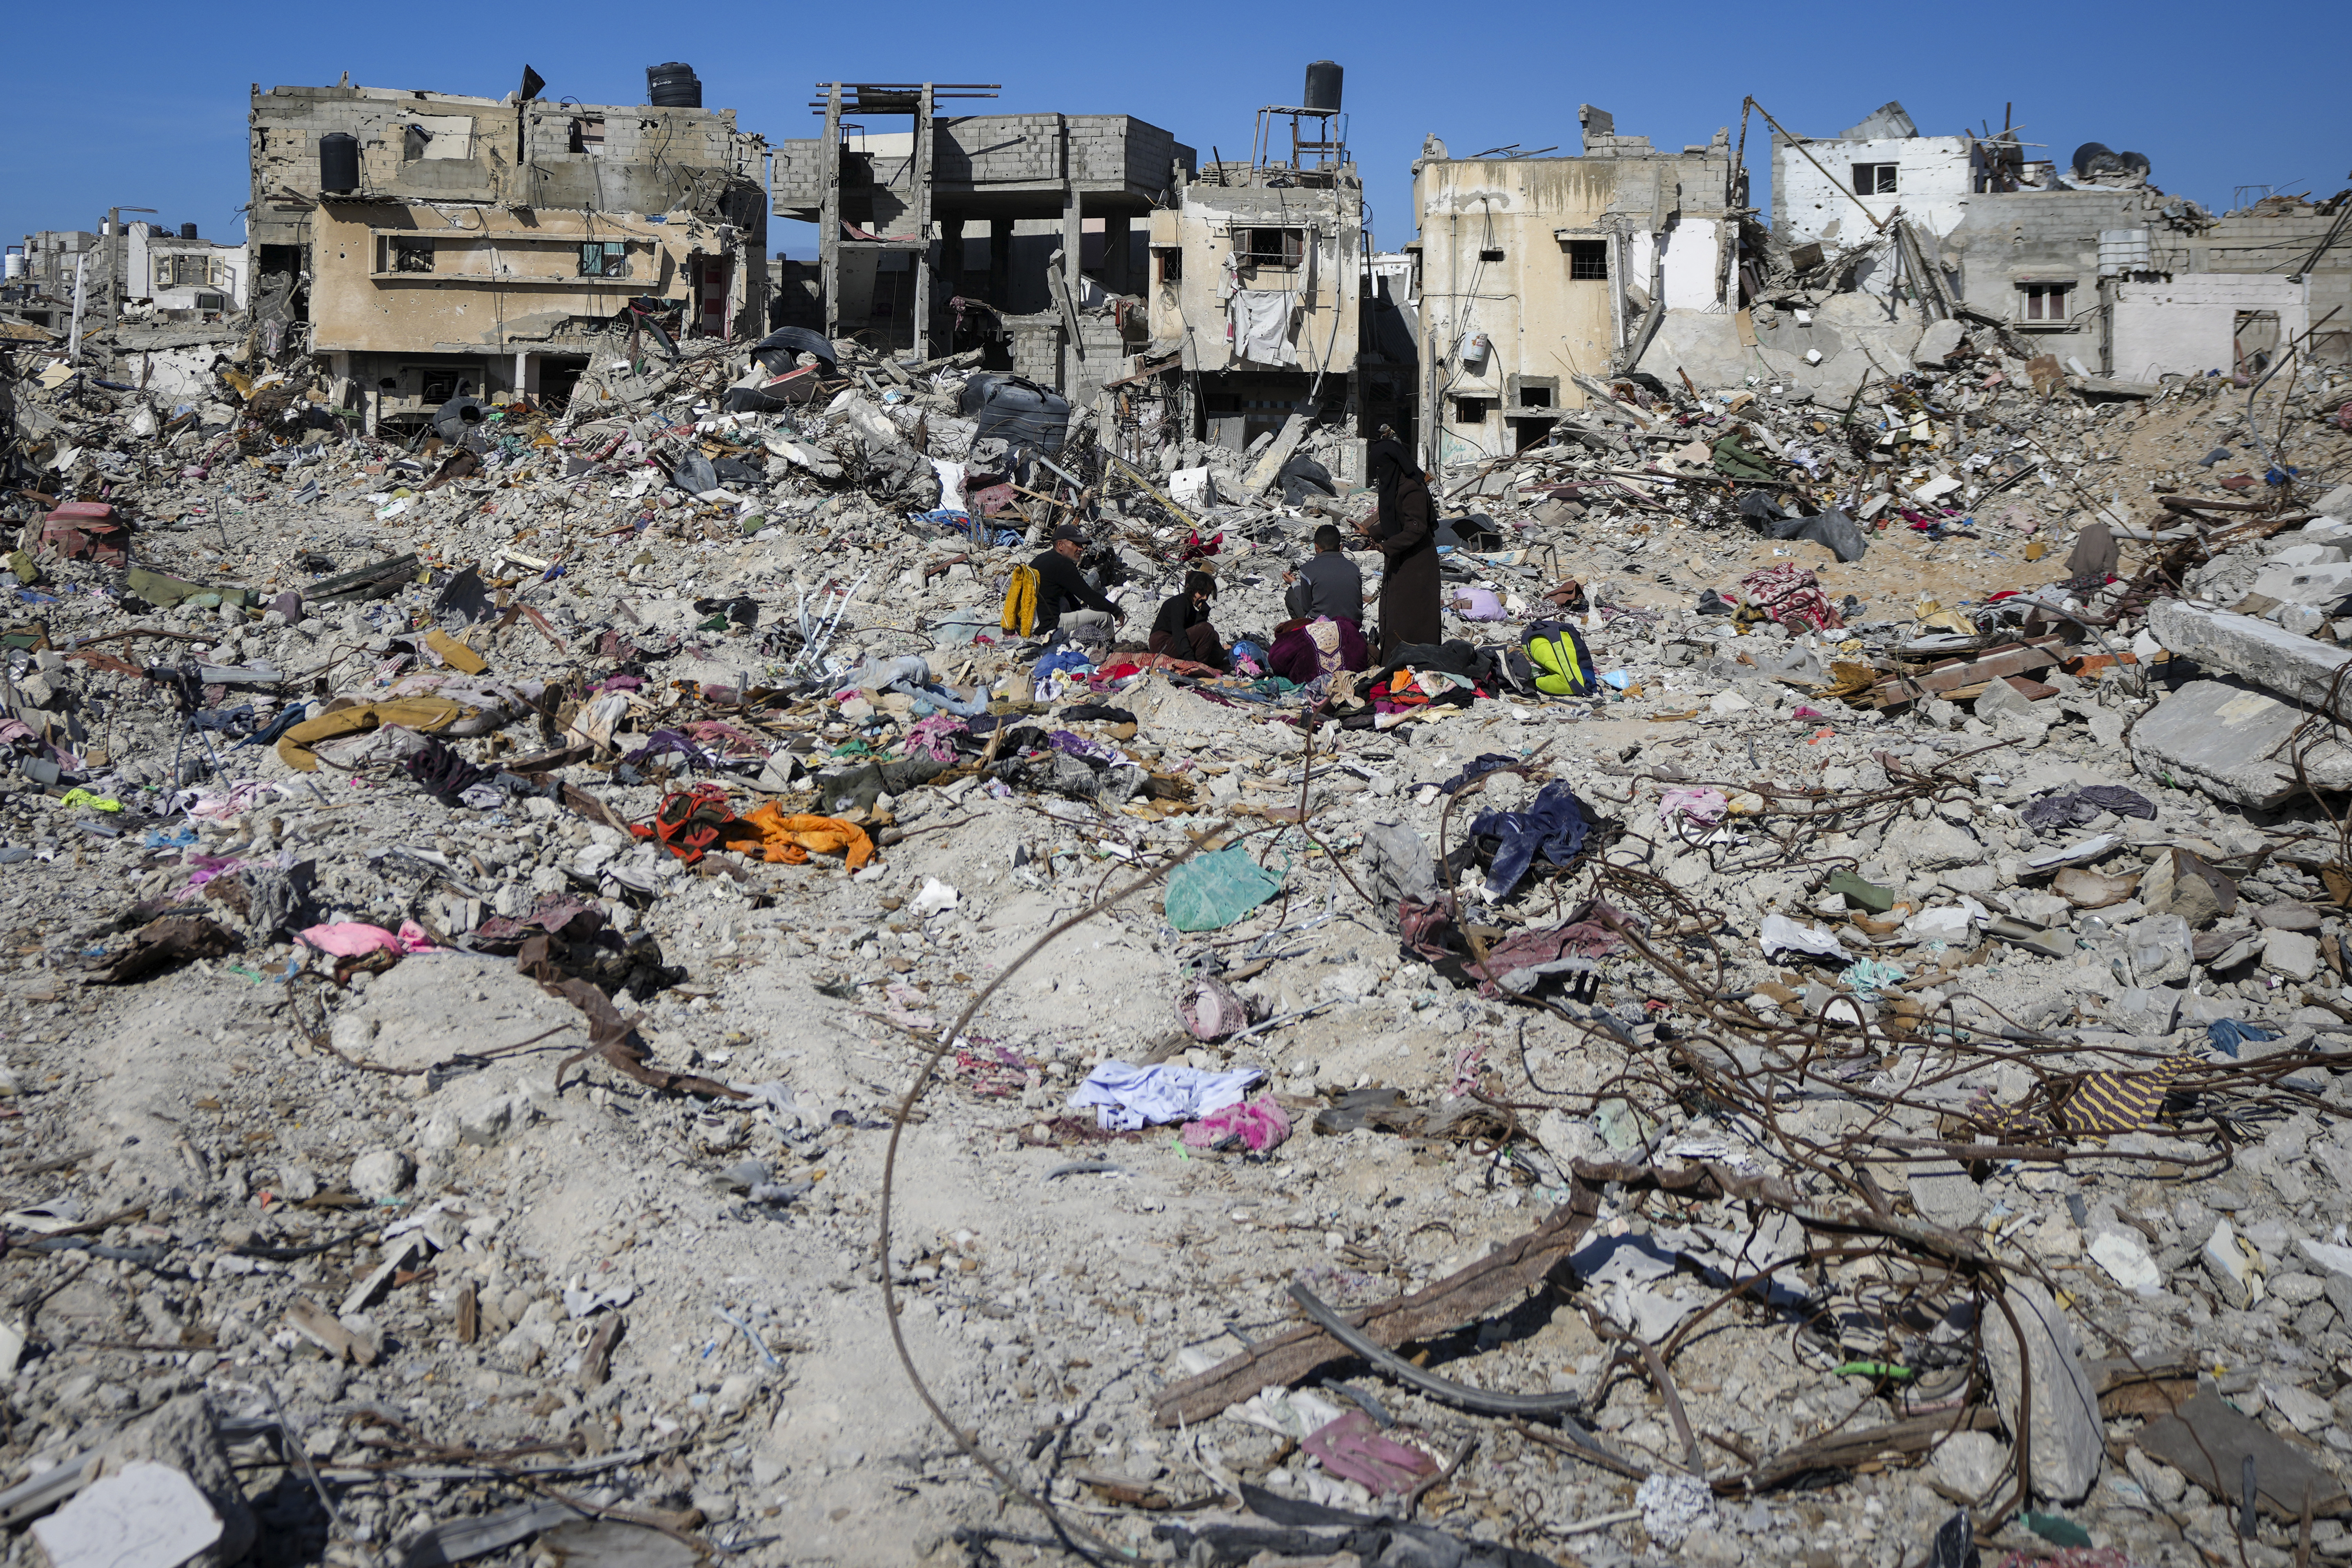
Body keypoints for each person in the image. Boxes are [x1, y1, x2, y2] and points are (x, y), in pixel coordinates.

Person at [1360, 428, 1441, 660]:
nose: (1378, 473)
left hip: (1418, 564)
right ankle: (1392, 660)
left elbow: (1416, 527)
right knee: (1393, 610)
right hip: (1401, 559)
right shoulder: (1394, 486)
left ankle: (1417, 662)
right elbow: (1394, 521)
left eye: (1380, 467)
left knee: (1412, 616)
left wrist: (1386, 547)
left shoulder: (1412, 488)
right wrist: (1369, 531)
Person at [1028, 523, 1123, 637]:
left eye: (1081, 545)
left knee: (1064, 600)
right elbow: (1089, 596)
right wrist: (1116, 612)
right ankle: (1109, 650)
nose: (1081, 549)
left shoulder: (1043, 559)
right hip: (1047, 626)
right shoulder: (1063, 565)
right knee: (1105, 617)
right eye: (1076, 544)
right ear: (1061, 545)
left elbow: (1070, 596)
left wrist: (1079, 611)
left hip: (1030, 623)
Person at [1286, 524, 1364, 626]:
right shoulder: (1354, 569)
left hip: (1321, 627)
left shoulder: (1307, 570)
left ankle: (1303, 633)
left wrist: (1294, 584)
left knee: (1291, 594)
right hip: (1351, 627)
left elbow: (1306, 607)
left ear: (1316, 547)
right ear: (1341, 547)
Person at [1148, 571, 1227, 669]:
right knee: (1207, 629)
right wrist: (1191, 661)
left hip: (1173, 643)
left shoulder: (1189, 606)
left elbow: (1195, 631)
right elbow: (1179, 633)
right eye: (1202, 593)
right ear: (1190, 588)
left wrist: (1203, 612)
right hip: (1162, 645)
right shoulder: (1180, 602)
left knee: (1214, 638)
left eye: (1207, 594)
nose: (1205, 597)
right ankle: (1199, 666)